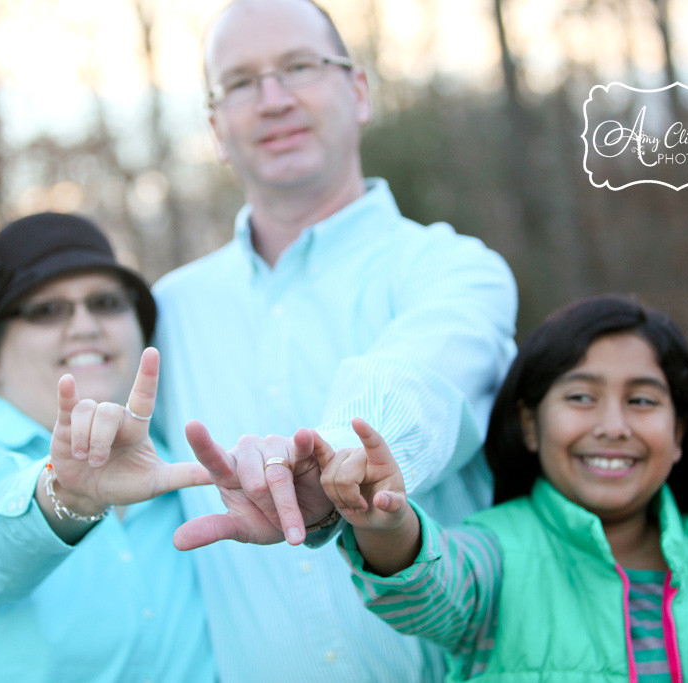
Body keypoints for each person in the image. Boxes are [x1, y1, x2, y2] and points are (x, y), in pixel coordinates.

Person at [152, 0, 517, 680]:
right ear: (216, 129)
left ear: (358, 91)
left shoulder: (454, 270)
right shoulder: (167, 314)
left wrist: (335, 467)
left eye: (299, 66)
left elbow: (421, 379)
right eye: (240, 83)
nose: (272, 99)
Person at [314, 295, 688, 681]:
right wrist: (388, 521)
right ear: (529, 424)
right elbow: (426, 589)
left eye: (642, 400)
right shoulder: (495, 553)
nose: (613, 426)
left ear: (679, 433)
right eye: (581, 397)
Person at [0, 213, 215, 682]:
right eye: (47, 310)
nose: (86, 325)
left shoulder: (194, 469)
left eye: (107, 302)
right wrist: (64, 496)